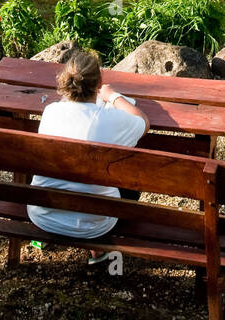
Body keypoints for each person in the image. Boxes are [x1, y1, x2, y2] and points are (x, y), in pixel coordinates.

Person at [27, 49, 149, 243]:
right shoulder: (108, 118)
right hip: (94, 226)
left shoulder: (51, 111)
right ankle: (98, 249)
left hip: (42, 215)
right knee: (127, 178)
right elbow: (143, 121)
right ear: (99, 84)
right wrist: (113, 96)